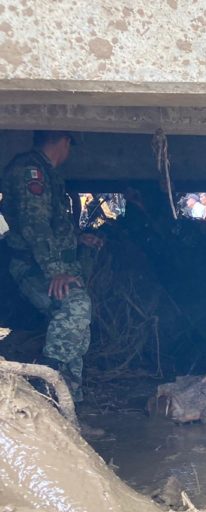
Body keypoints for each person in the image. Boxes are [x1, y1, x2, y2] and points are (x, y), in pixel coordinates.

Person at [1, 130, 101, 400]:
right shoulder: (31, 171)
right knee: (76, 307)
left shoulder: (46, 172)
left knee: (76, 326)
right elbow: (34, 224)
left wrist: (77, 239)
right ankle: (47, 386)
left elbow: (49, 224)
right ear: (65, 141)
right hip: (34, 267)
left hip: (49, 264)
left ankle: (68, 406)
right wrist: (56, 270)